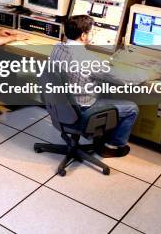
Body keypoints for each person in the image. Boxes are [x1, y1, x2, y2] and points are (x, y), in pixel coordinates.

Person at [49, 15, 138, 157]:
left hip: (59, 107)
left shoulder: (57, 48)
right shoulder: (88, 59)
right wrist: (148, 75)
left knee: (103, 89)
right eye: (91, 31)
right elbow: (124, 79)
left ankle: (97, 135)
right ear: (83, 36)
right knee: (132, 108)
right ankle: (112, 147)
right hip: (82, 111)